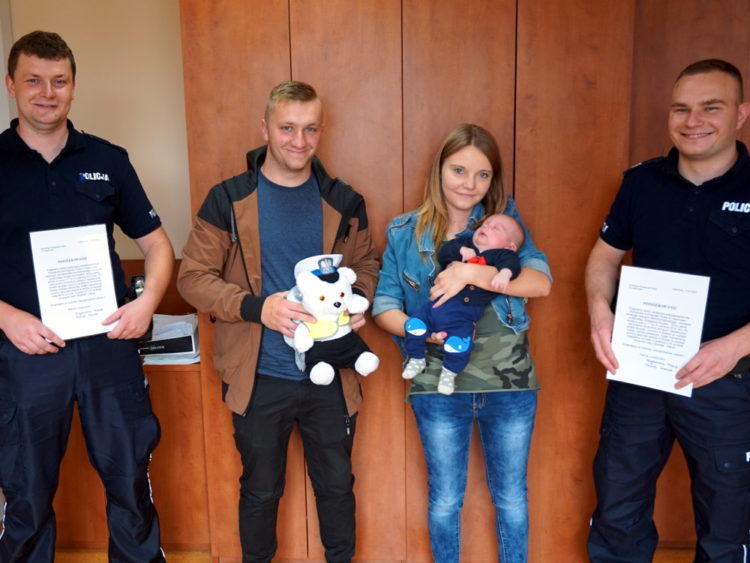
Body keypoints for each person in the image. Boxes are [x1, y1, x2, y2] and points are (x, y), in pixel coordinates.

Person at [177, 80, 378, 563]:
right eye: (287, 128)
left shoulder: (344, 200)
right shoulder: (228, 199)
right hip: (260, 375)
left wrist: (359, 301)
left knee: (336, 487)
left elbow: (366, 264)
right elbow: (192, 278)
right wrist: (257, 308)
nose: (299, 141)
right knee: (261, 491)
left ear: (321, 131)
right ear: (264, 128)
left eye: (310, 129)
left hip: (330, 374)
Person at [0, 31, 173, 562]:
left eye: (59, 81)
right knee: (26, 494)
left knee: (130, 483)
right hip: (26, 354)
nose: (47, 93)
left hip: (106, 347)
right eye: (34, 80)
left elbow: (157, 245)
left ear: (74, 87)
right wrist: (6, 318)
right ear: (11, 85)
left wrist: (146, 304)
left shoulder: (107, 159)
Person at [585, 59, 750, 562]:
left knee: (728, 524)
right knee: (617, 510)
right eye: (681, 108)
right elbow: (604, 258)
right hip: (640, 372)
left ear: (741, 114)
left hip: (729, 382)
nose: (692, 120)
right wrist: (599, 312)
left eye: (711, 107)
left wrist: (735, 346)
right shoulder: (641, 183)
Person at [373, 123, 551, 563]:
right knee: (445, 498)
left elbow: (540, 283)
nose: (470, 185)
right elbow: (384, 305)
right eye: (459, 170)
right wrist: (417, 329)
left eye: (482, 174)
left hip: (510, 386)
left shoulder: (503, 224)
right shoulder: (404, 231)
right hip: (437, 385)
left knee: (511, 497)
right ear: (439, 170)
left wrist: (471, 272)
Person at [401, 213, 524, 395]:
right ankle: (416, 358)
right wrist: (461, 251)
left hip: (463, 316)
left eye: (496, 228)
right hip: (433, 307)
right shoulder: (464, 244)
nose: (486, 227)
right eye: (486, 224)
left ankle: (449, 374)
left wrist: (504, 274)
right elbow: (445, 253)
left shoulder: (502, 255)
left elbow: (512, 265)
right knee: (413, 325)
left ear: (510, 246)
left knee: (458, 345)